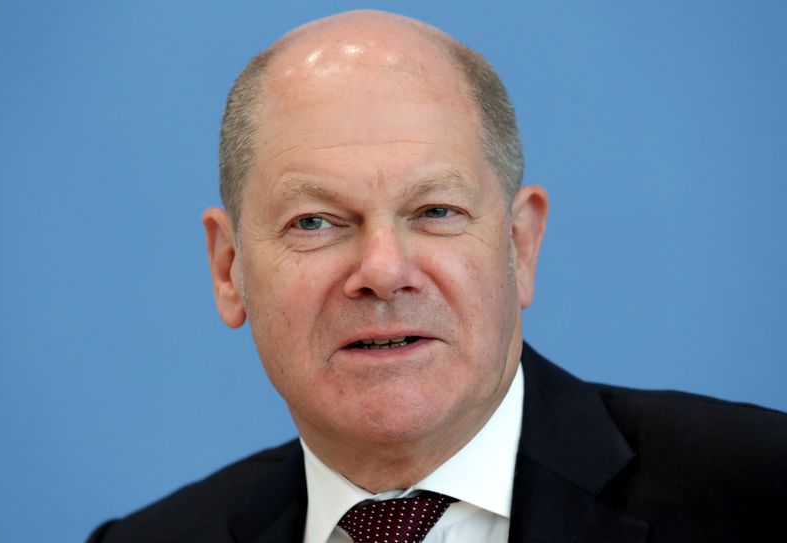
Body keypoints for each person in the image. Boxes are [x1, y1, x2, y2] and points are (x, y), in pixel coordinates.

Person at [88, 9, 786, 543]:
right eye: (315, 222)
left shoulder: (758, 489)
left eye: (435, 210)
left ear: (519, 244)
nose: (384, 271)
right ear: (229, 268)